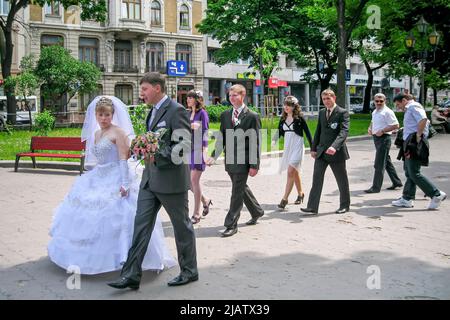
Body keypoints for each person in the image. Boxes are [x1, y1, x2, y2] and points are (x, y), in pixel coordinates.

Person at [48, 96, 176, 275]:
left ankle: (123, 257)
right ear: (95, 115)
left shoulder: (119, 133)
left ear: (112, 114)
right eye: (100, 115)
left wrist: (124, 184)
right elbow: (96, 159)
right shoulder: (96, 133)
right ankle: (86, 257)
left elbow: (123, 160)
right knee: (87, 216)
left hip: (116, 175)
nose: (103, 118)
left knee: (118, 218)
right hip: (98, 175)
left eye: (107, 115)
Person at [108, 72, 198, 290]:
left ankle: (189, 271)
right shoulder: (152, 112)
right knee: (140, 226)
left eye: (145, 89)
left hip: (171, 182)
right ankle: (131, 274)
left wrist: (155, 155)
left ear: (157, 88)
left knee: (181, 226)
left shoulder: (176, 111)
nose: (142, 94)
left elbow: (183, 147)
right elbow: (154, 141)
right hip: (150, 180)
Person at [206, 84, 264, 237]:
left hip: (244, 160)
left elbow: (255, 142)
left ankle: (231, 224)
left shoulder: (252, 116)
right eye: (230, 96)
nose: (231, 98)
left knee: (236, 192)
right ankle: (257, 211)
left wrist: (254, 164)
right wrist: (213, 155)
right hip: (230, 160)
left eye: (235, 95)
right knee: (240, 187)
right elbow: (221, 137)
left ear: (242, 96)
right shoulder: (226, 115)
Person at [391, 93, 446, 210]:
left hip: (414, 143)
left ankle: (436, 194)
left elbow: (423, 119)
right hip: (410, 142)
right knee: (409, 171)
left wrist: (418, 135)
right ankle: (407, 198)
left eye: (398, 104)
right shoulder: (411, 108)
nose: (398, 107)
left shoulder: (413, 106)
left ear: (404, 100)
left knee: (413, 172)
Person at [301, 88, 351, 214]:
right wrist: (313, 148)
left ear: (334, 98)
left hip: (336, 153)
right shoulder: (322, 112)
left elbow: (343, 132)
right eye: (324, 99)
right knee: (316, 179)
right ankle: (312, 206)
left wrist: (334, 146)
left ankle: (345, 205)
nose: (326, 101)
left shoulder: (342, 112)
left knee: (342, 180)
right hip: (321, 152)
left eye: (328, 98)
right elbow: (318, 131)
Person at [272, 95, 312, 209]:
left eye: (289, 105)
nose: (286, 107)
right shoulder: (283, 118)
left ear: (294, 106)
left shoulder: (300, 118)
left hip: (297, 147)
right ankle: (301, 194)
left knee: (290, 172)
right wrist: (274, 140)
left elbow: (308, 133)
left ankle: (284, 199)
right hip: (287, 147)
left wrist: (313, 148)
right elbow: (279, 131)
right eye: (285, 105)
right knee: (295, 173)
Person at [365, 93, 403, 193]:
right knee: (386, 162)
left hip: (384, 139)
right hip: (376, 139)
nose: (379, 103)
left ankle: (376, 187)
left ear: (385, 101)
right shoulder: (375, 111)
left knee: (379, 164)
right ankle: (396, 182)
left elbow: (396, 125)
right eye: (377, 101)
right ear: (374, 101)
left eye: (381, 101)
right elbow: (373, 121)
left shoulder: (387, 112)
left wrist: (382, 130)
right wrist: (370, 128)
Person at [185, 89, 212, 224]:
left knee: (194, 181)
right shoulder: (188, 113)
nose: (188, 99)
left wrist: (205, 152)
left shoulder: (203, 113)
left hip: (198, 149)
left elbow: (205, 132)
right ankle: (205, 200)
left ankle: (196, 214)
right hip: (188, 149)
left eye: (191, 97)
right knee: (189, 182)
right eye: (188, 97)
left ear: (197, 99)